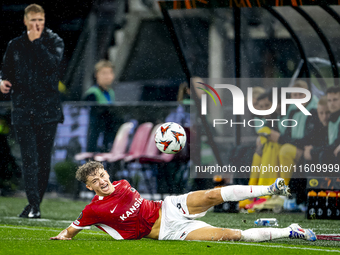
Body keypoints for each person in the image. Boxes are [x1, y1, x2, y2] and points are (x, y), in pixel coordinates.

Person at [50, 161, 316, 242]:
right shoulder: (93, 210)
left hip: (169, 206)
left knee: (212, 194)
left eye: (102, 175)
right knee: (231, 235)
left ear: (108, 174)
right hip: (170, 231)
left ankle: (270, 187)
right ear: (89, 187)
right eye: (95, 181)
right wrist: (62, 237)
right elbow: (71, 230)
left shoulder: (122, 184)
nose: (102, 181)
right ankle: (291, 230)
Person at [0, 4, 64, 218]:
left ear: (44, 20)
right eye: (33, 20)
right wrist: (2, 82)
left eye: (40, 20)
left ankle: (35, 204)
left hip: (48, 111)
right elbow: (6, 70)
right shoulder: (15, 45)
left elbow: (52, 67)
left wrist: (37, 43)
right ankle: (34, 204)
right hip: (23, 109)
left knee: (44, 160)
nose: (37, 24)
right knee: (29, 158)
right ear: (26, 21)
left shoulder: (54, 42)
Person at [83, 60, 117, 152]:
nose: (107, 76)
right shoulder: (92, 93)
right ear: (96, 75)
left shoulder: (111, 92)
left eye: (110, 73)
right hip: (95, 132)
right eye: (104, 73)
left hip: (108, 131)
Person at [320, 86, 340, 163]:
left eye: (335, 100)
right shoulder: (330, 119)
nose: (332, 103)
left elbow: (336, 143)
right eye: (329, 100)